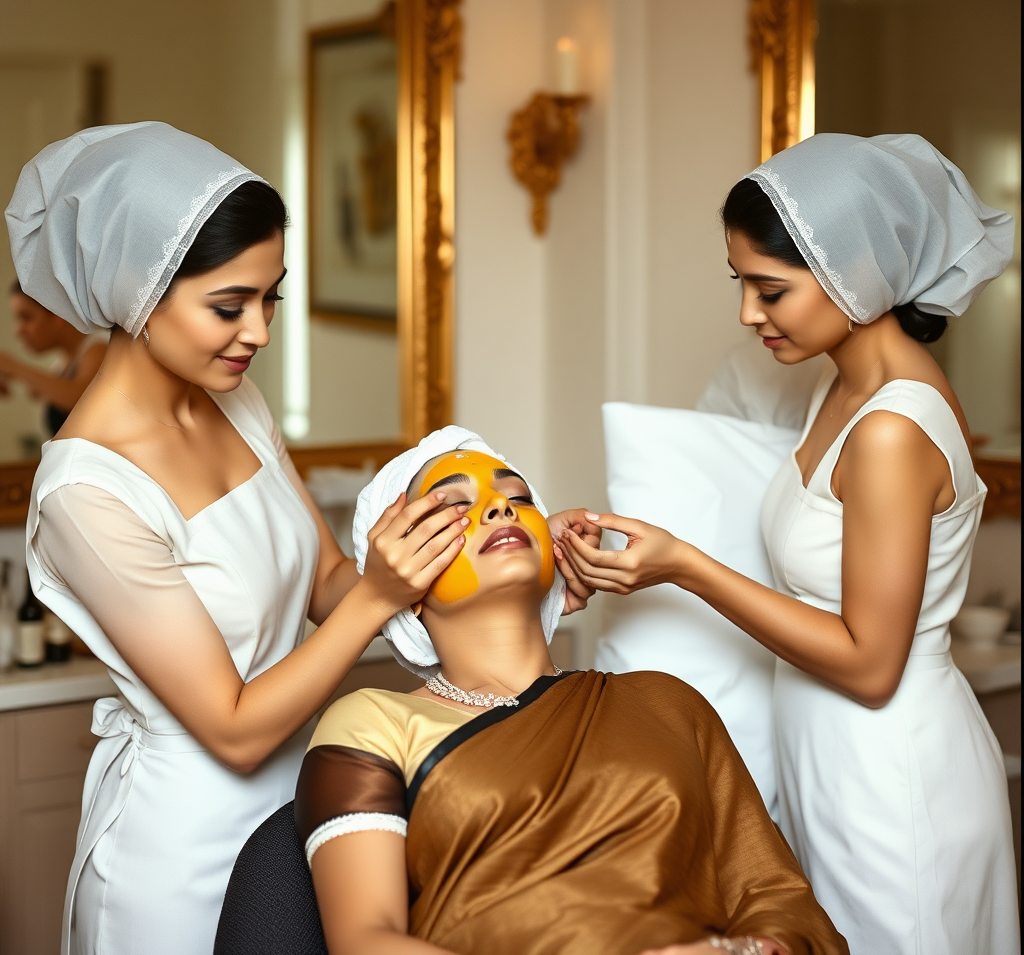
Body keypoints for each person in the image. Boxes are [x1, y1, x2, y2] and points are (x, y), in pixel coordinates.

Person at [5, 122, 595, 955]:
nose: (260, 332)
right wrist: (385, 597)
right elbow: (236, 728)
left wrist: (501, 555)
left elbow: (325, 580)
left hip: (303, 803)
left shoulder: (235, 405)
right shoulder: (86, 493)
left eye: (270, 295)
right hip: (181, 847)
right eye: (228, 306)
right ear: (136, 289)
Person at [556, 133, 1019, 955]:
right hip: (828, 756)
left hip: (892, 768)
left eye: (771, 290)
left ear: (858, 274)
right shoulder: (840, 385)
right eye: (741, 284)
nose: (747, 314)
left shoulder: (889, 429)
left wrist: (686, 566)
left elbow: (870, 665)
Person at [295, 426, 847, 955]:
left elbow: (779, 901)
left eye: (519, 497)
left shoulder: (665, 704)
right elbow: (367, 942)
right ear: (405, 583)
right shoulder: (371, 722)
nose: (501, 507)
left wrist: (741, 952)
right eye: (452, 507)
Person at [0, 282, 107, 434]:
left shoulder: (98, 347)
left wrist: (14, 367)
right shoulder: (61, 365)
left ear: (58, 314)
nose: (18, 331)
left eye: (26, 318)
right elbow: (39, 391)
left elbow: (77, 398)